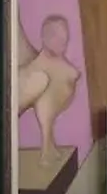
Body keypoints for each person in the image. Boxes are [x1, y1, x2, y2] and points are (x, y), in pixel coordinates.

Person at [16, 13, 81, 167]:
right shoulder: (38, 70)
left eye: (64, 36)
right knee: (43, 84)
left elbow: (71, 73)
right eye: (55, 36)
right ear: (45, 38)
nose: (62, 41)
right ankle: (47, 148)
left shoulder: (58, 66)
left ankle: (48, 146)